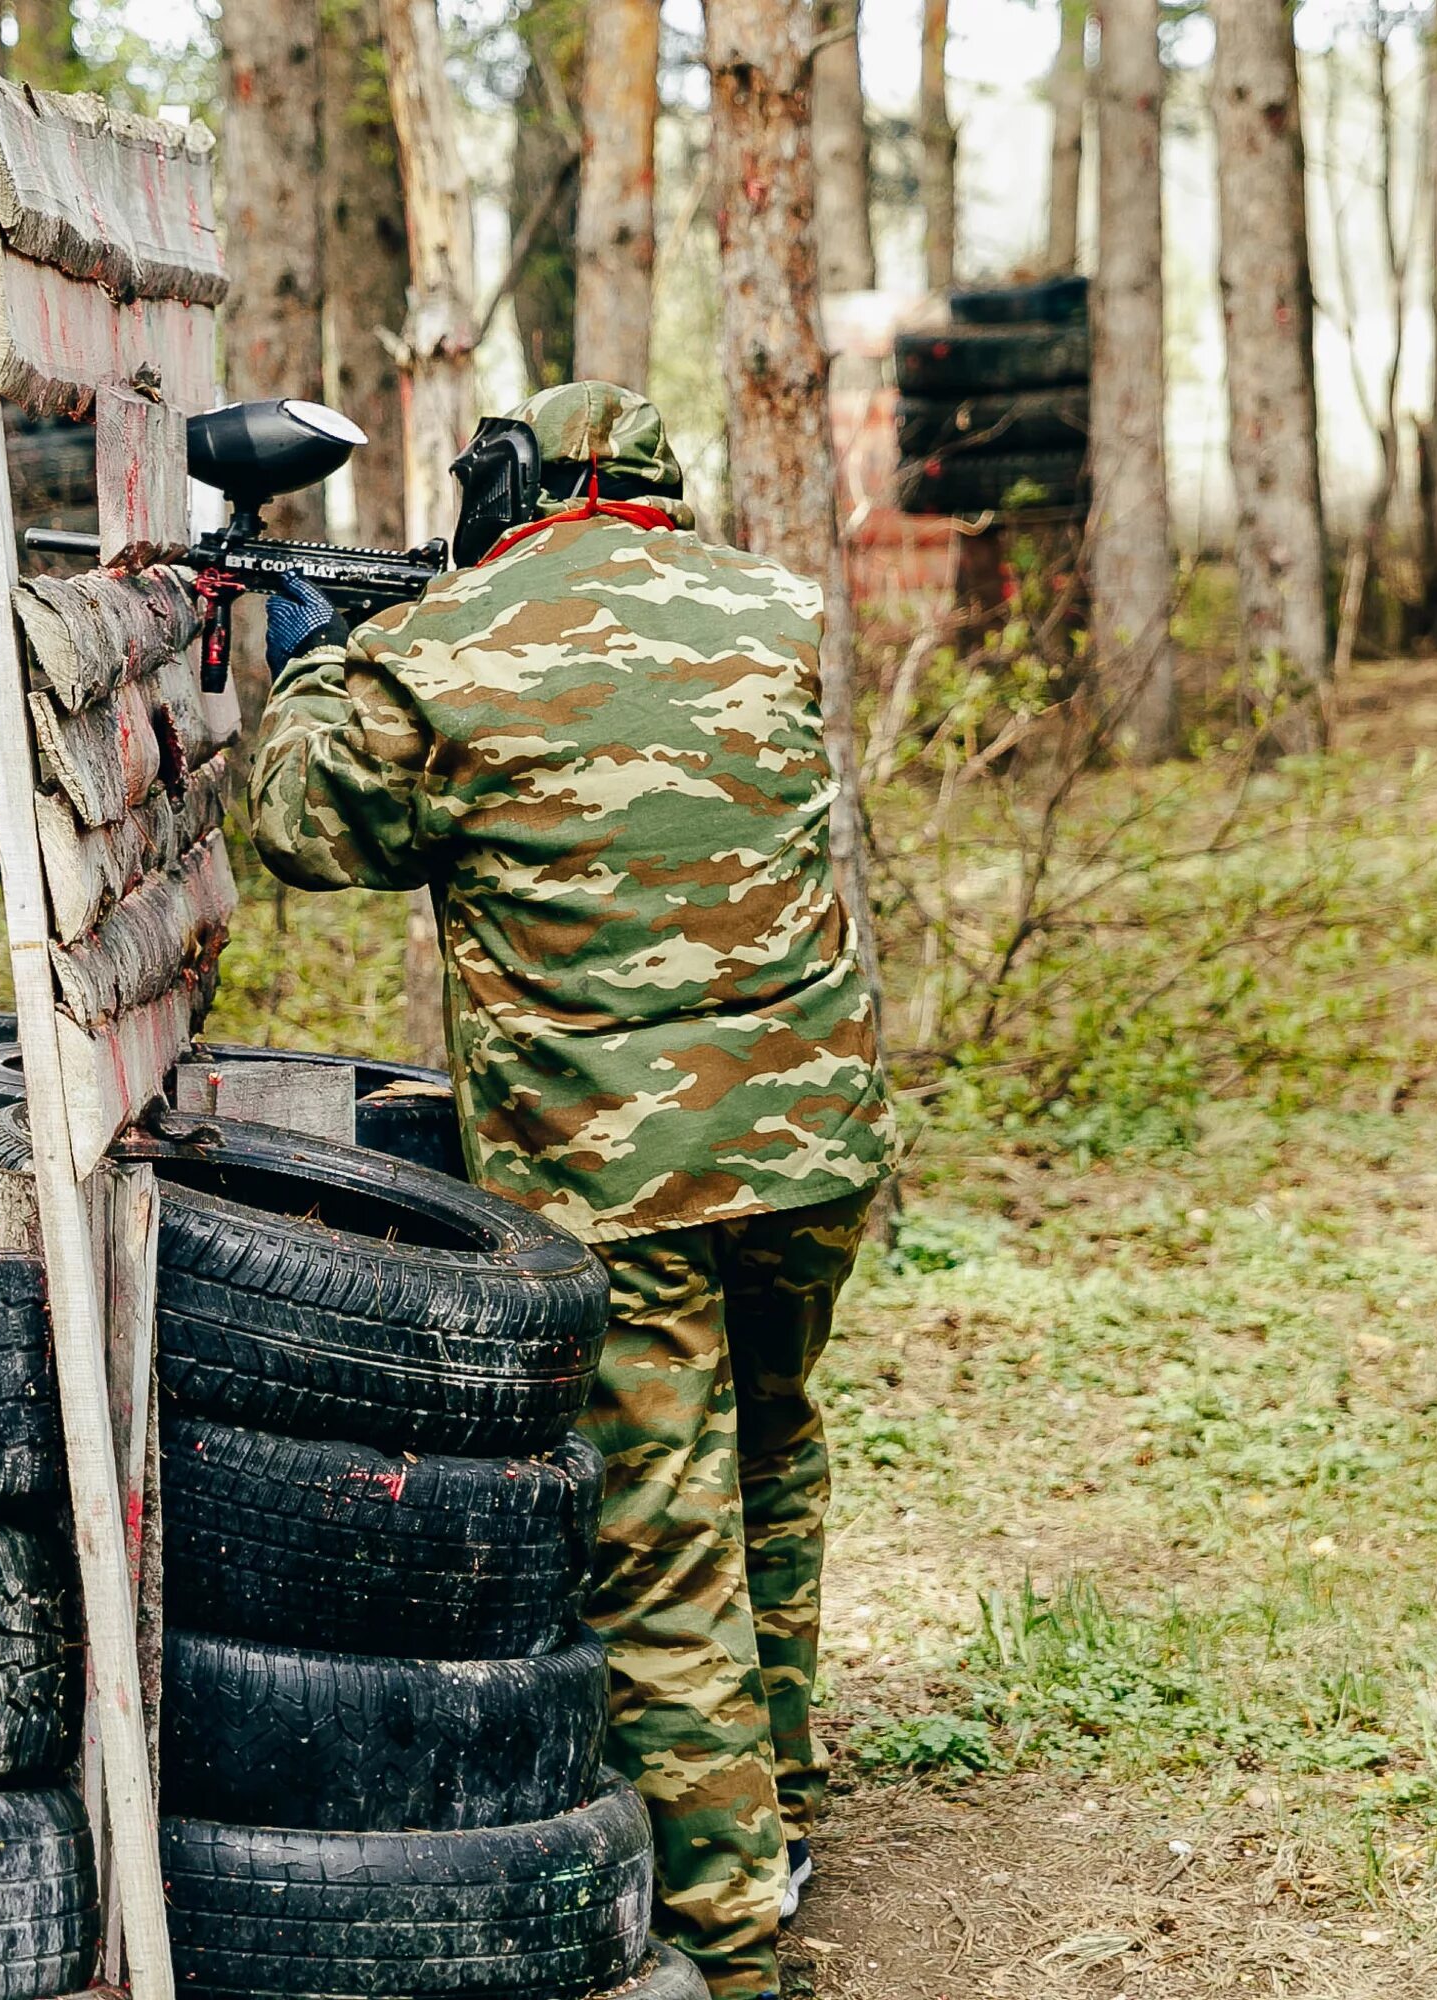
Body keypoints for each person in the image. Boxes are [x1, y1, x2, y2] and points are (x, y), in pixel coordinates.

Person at [248, 380, 895, 2000]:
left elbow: (305, 827)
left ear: (503, 481)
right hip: (814, 1145)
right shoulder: (773, 607)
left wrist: (317, 658)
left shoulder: (449, 649)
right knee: (771, 1452)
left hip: (626, 1163)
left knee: (658, 1539)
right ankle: (782, 1799)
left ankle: (728, 1936)